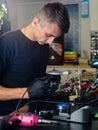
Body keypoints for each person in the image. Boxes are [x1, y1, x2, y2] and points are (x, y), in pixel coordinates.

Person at [0, 2, 70, 115]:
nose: (50, 42)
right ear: (36, 21)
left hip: (32, 114)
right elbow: (30, 90)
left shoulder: (43, 45)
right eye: (48, 35)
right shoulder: (5, 44)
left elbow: (27, 77)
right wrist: (27, 92)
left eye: (55, 37)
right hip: (7, 119)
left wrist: (47, 83)